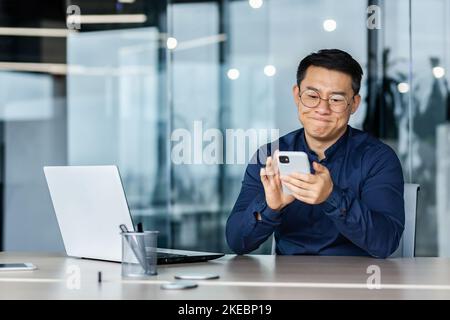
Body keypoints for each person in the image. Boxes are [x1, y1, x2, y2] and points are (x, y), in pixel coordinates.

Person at [226, 49, 405, 258]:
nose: (322, 108)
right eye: (312, 96)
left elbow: (385, 243)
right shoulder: (269, 155)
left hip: (357, 283)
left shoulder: (378, 159)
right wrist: (270, 207)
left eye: (336, 99)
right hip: (288, 284)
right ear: (297, 95)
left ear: (354, 104)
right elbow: (237, 242)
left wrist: (332, 196)